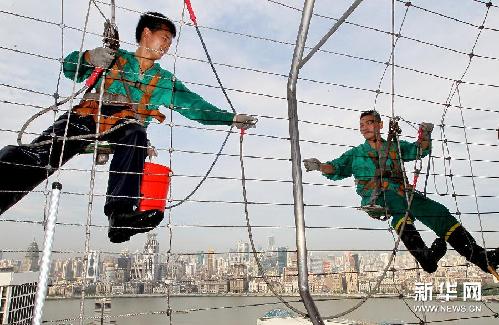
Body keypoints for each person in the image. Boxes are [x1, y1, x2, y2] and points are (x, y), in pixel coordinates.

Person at [0, 12, 256, 243]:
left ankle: (121, 215)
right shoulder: (113, 58)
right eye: (164, 38)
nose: (167, 46)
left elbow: (195, 107)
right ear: (146, 33)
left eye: (169, 42)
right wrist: (90, 57)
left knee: (136, 135)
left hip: (126, 124)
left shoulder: (164, 80)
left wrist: (229, 119)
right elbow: (71, 69)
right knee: (44, 152)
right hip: (88, 114)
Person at [303, 110, 498, 274]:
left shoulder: (394, 147)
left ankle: (482, 259)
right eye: (362, 124)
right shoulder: (355, 154)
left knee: (438, 212)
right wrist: (319, 166)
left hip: (404, 194)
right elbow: (336, 168)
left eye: (369, 123)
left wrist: (425, 134)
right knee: (400, 207)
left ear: (380, 125)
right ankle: (424, 257)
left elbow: (419, 150)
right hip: (377, 198)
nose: (364, 127)